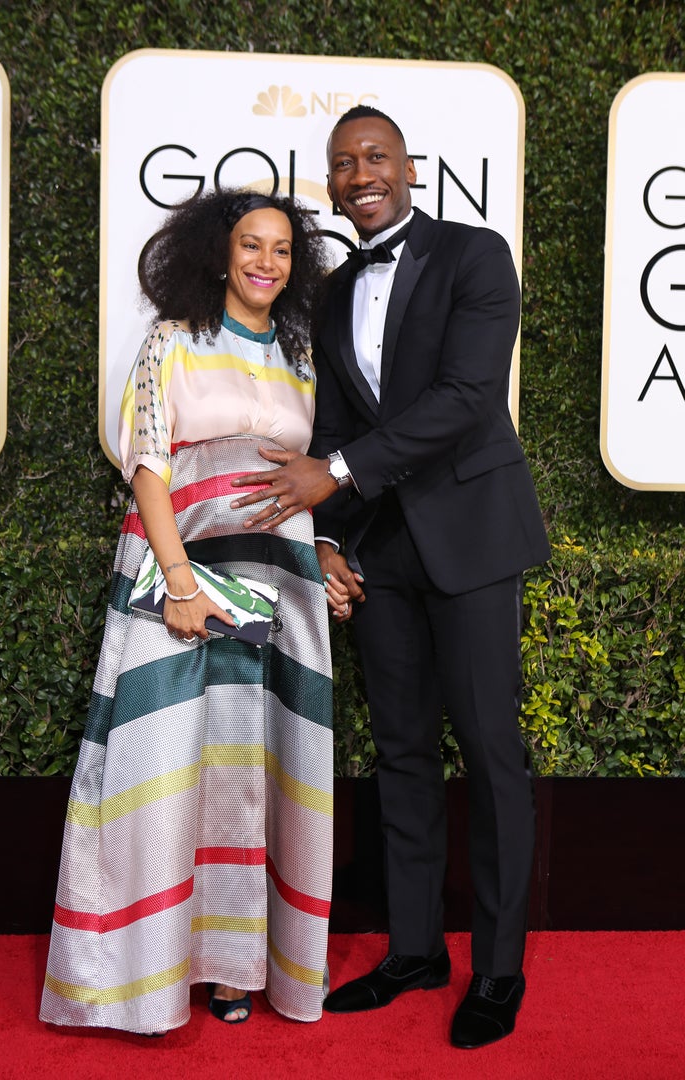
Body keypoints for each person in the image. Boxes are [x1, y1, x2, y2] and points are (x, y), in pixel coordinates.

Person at [229, 106, 551, 1049]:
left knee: (491, 755)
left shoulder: (476, 255)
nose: (359, 173)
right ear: (328, 183)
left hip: (474, 541)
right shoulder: (328, 294)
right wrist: (329, 537)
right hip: (379, 549)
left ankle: (498, 968)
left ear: (410, 166)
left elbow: (466, 397)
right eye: (341, 164)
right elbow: (326, 426)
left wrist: (333, 475)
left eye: (375, 157)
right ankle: (416, 948)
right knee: (402, 751)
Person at [40, 190, 338, 1035]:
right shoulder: (171, 342)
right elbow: (148, 461)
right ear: (219, 252)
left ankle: (241, 965)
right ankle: (147, 973)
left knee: (255, 770)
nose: (266, 263)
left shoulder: (302, 354)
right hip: (180, 571)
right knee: (162, 763)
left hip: (280, 591)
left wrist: (322, 550)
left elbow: (306, 477)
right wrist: (176, 580)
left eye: (282, 249)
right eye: (252, 244)